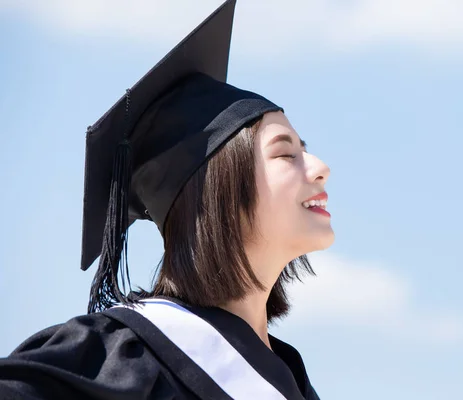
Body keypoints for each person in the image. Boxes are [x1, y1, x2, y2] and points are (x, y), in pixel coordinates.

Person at [0, 1, 333, 399]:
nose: (319, 167)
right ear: (217, 191)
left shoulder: (290, 380)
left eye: (306, 149)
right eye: (286, 154)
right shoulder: (120, 363)